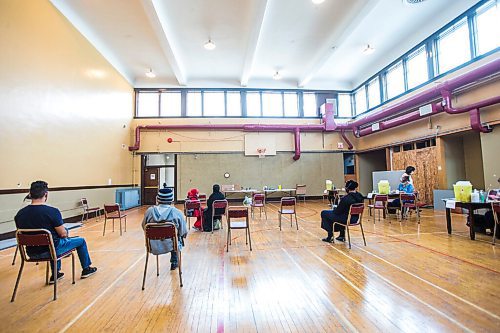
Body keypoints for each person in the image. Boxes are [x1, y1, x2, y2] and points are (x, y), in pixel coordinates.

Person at [14, 181, 97, 283]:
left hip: (31, 253)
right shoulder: (52, 211)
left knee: (52, 240)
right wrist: (64, 233)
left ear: (30, 194)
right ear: (46, 194)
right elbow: (63, 234)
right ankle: (86, 269)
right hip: (51, 251)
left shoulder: (20, 214)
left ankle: (56, 274)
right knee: (79, 240)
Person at [142, 188, 188, 270]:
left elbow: (144, 226)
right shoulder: (177, 213)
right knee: (178, 236)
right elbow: (183, 232)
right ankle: (174, 261)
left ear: (158, 199)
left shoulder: (149, 212)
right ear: (171, 200)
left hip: (153, 246)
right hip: (171, 245)